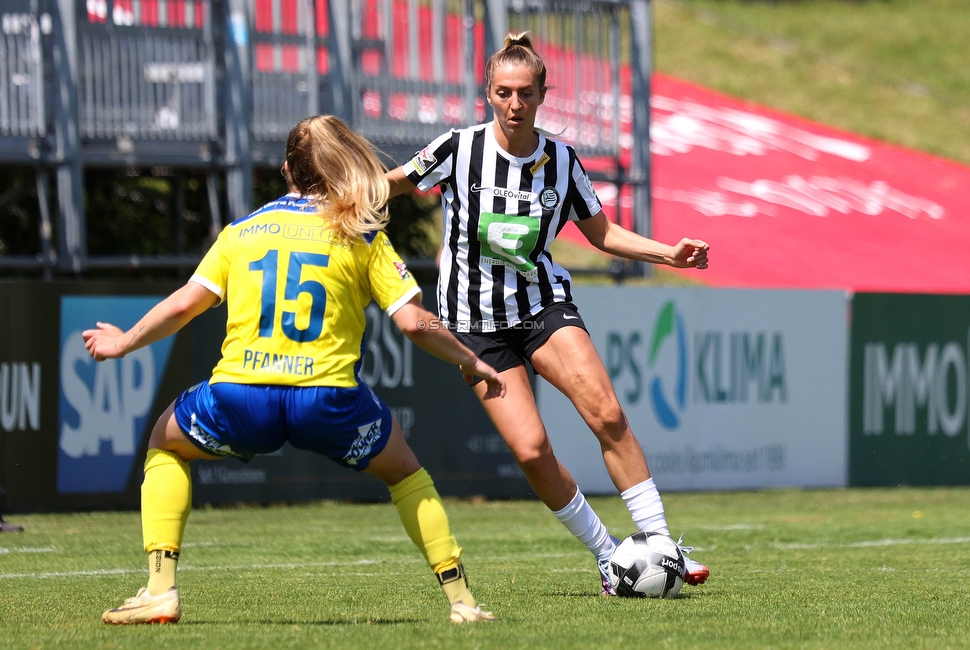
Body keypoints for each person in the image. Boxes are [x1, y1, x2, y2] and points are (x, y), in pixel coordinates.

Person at [84, 115, 505, 625]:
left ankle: (159, 590)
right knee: (405, 473)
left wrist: (123, 343)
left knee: (164, 443)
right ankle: (461, 602)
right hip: (327, 400)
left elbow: (181, 308)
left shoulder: (242, 232)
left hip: (242, 396)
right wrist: (472, 358)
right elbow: (416, 324)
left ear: (286, 170)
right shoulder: (360, 232)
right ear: (339, 167)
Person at [386, 32, 711, 596]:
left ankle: (661, 546)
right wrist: (329, 202)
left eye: (526, 93)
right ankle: (611, 558)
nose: (515, 104)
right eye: (504, 93)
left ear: (542, 95)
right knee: (532, 451)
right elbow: (390, 186)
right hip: (474, 327)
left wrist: (668, 254)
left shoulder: (561, 161)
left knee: (607, 414)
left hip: (541, 307)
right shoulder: (458, 148)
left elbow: (601, 232)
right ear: (488, 94)